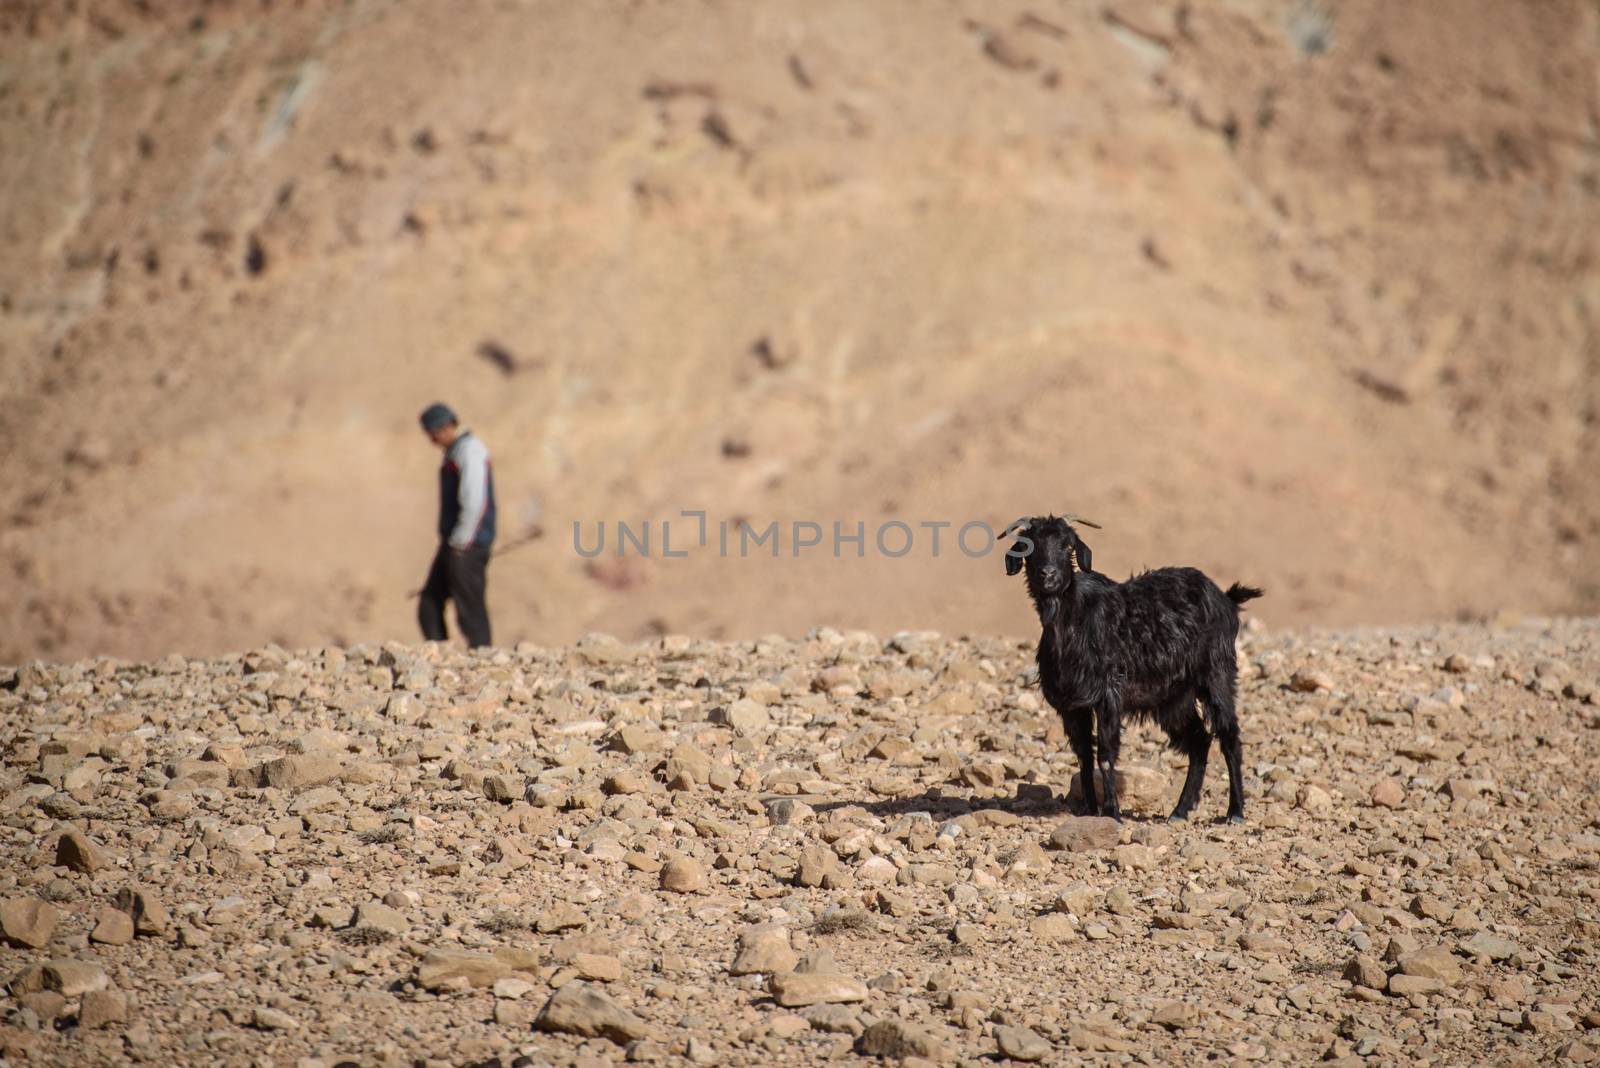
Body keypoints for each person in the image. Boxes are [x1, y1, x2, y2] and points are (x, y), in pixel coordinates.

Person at [417, 402, 495, 648]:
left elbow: (474, 501)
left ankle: (484, 661)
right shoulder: (456, 451)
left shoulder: (469, 451)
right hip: (455, 543)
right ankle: (439, 658)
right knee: (429, 604)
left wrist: (461, 540)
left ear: (446, 427)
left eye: (433, 434)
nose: (432, 440)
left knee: (470, 610)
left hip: (466, 546)